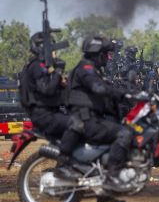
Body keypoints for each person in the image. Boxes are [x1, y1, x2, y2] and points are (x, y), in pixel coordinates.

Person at [61, 35, 134, 190]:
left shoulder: (93, 70)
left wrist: (132, 96)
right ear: (98, 53)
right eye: (106, 54)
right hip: (85, 120)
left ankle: (104, 191)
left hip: (90, 118)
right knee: (124, 134)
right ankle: (112, 177)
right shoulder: (86, 69)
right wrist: (122, 94)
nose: (109, 57)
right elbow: (98, 88)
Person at [18, 32, 82, 180]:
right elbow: (47, 89)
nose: (55, 53)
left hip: (47, 112)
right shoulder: (36, 66)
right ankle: (64, 168)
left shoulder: (41, 67)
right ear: (42, 49)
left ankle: (72, 167)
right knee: (78, 124)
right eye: (52, 49)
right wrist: (58, 72)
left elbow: (56, 91)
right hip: (43, 115)